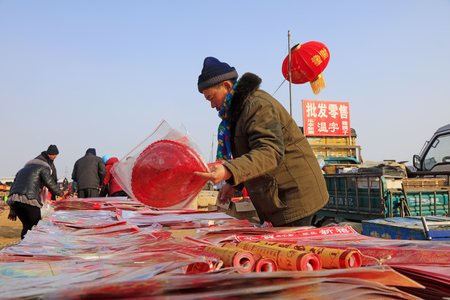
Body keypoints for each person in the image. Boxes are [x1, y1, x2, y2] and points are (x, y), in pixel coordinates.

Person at [194, 57, 329, 227]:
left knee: (293, 250)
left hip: (294, 195)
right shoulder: (236, 113)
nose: (213, 105)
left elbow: (269, 152)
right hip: (276, 194)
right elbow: (250, 156)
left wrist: (229, 170)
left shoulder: (256, 106)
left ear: (227, 86)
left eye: (211, 97)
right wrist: (233, 183)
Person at [7, 157, 70, 239]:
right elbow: (49, 182)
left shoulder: (21, 171)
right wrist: (61, 193)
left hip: (14, 201)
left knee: (26, 226)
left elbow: (14, 188)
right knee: (35, 225)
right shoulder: (43, 168)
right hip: (29, 199)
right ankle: (34, 248)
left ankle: (23, 247)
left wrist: (12, 210)